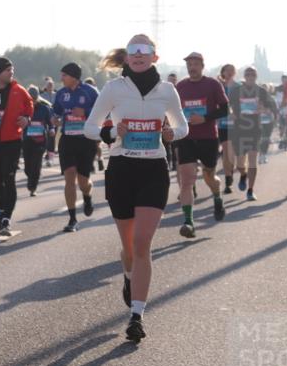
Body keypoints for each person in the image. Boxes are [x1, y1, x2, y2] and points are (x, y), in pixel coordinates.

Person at [87, 35, 188, 342]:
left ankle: (137, 316)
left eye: (145, 50)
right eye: (134, 50)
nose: (139, 54)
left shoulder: (167, 90)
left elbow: (182, 126)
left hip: (153, 170)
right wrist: (110, 132)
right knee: (130, 247)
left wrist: (171, 134)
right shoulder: (113, 88)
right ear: (127, 57)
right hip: (121, 170)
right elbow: (90, 127)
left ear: (155, 56)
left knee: (143, 242)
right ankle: (129, 276)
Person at [174, 52, 229, 236]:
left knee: (209, 177)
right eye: (189, 64)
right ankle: (188, 222)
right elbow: (173, 110)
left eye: (195, 64)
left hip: (208, 138)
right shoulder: (180, 86)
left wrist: (204, 118)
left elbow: (225, 109)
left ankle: (217, 197)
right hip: (186, 138)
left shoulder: (213, 84)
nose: (192, 67)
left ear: (202, 66)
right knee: (187, 180)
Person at [0, 57, 33, 235]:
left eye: (12, 69)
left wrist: (27, 118)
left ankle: (6, 217)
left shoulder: (19, 91)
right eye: (8, 70)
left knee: (9, 177)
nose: (11, 72)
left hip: (12, 141)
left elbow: (29, 106)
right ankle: (2, 210)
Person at [51, 62, 98, 232]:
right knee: (69, 176)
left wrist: (85, 113)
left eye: (64, 75)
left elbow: (104, 112)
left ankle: (87, 195)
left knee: (83, 182)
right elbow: (55, 112)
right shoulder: (61, 93)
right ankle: (72, 219)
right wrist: (55, 119)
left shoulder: (90, 92)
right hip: (67, 140)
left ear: (73, 77)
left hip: (86, 140)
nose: (61, 78)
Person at [229, 66, 277, 201]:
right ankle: (243, 175)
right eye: (248, 74)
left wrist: (265, 109)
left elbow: (272, 108)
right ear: (244, 76)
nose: (250, 77)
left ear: (256, 76)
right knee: (240, 163)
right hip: (239, 129)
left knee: (252, 160)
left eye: (253, 74)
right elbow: (227, 105)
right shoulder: (236, 91)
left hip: (255, 129)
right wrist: (231, 113)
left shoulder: (261, 91)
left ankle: (250, 190)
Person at [22, 85, 54, 196]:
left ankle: (32, 187)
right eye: (31, 99)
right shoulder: (23, 108)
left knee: (36, 164)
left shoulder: (45, 108)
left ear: (38, 98)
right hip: (27, 140)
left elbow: (50, 123)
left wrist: (52, 129)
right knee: (27, 167)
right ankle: (32, 177)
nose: (33, 101)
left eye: (35, 99)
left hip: (40, 140)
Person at [217, 64, 240, 192]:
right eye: (228, 70)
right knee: (226, 151)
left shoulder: (239, 87)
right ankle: (228, 180)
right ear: (223, 72)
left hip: (236, 124)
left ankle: (230, 172)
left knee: (232, 152)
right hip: (223, 123)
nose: (230, 72)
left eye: (232, 70)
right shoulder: (218, 87)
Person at [258, 83, 275, 164]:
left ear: (268, 89)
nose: (264, 90)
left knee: (266, 139)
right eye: (262, 88)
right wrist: (264, 109)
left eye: (265, 88)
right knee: (261, 138)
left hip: (269, 122)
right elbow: (256, 109)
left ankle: (264, 155)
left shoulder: (271, 99)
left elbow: (273, 110)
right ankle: (260, 155)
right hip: (259, 121)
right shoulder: (257, 99)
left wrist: (265, 110)